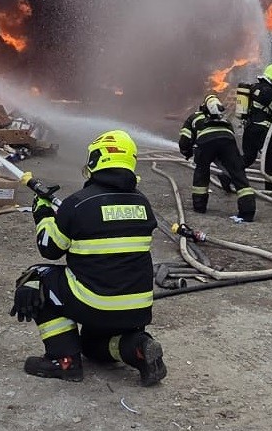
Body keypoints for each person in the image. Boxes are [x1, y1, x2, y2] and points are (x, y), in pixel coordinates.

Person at [9, 130, 166, 385]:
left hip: (96, 304)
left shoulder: (77, 204)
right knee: (91, 346)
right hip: (136, 310)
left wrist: (43, 214)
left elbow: (49, 249)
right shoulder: (142, 203)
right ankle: (137, 349)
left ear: (95, 160)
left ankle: (63, 361)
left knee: (35, 279)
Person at [178, 95, 256, 221]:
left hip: (205, 144)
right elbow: (230, 138)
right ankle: (248, 212)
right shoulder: (225, 119)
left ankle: (199, 206)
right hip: (227, 142)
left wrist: (187, 151)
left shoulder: (195, 117)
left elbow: (185, 139)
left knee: (202, 172)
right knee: (238, 174)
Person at [235, 63, 272, 176]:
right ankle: (271, 184)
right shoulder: (267, 91)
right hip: (261, 131)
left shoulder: (255, 87)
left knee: (248, 158)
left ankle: (228, 174)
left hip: (249, 129)